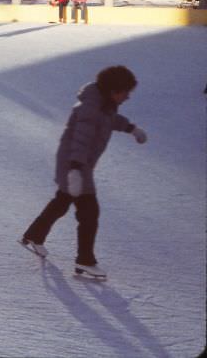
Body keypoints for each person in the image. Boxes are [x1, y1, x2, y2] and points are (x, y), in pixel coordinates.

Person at [20, 65, 147, 279]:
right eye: (125, 92)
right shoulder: (90, 108)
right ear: (113, 90)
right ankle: (85, 261)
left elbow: (110, 121)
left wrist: (131, 128)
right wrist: (76, 170)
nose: (127, 97)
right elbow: (81, 138)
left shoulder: (102, 105)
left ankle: (34, 235)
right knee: (89, 214)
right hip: (75, 165)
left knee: (61, 202)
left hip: (76, 165)